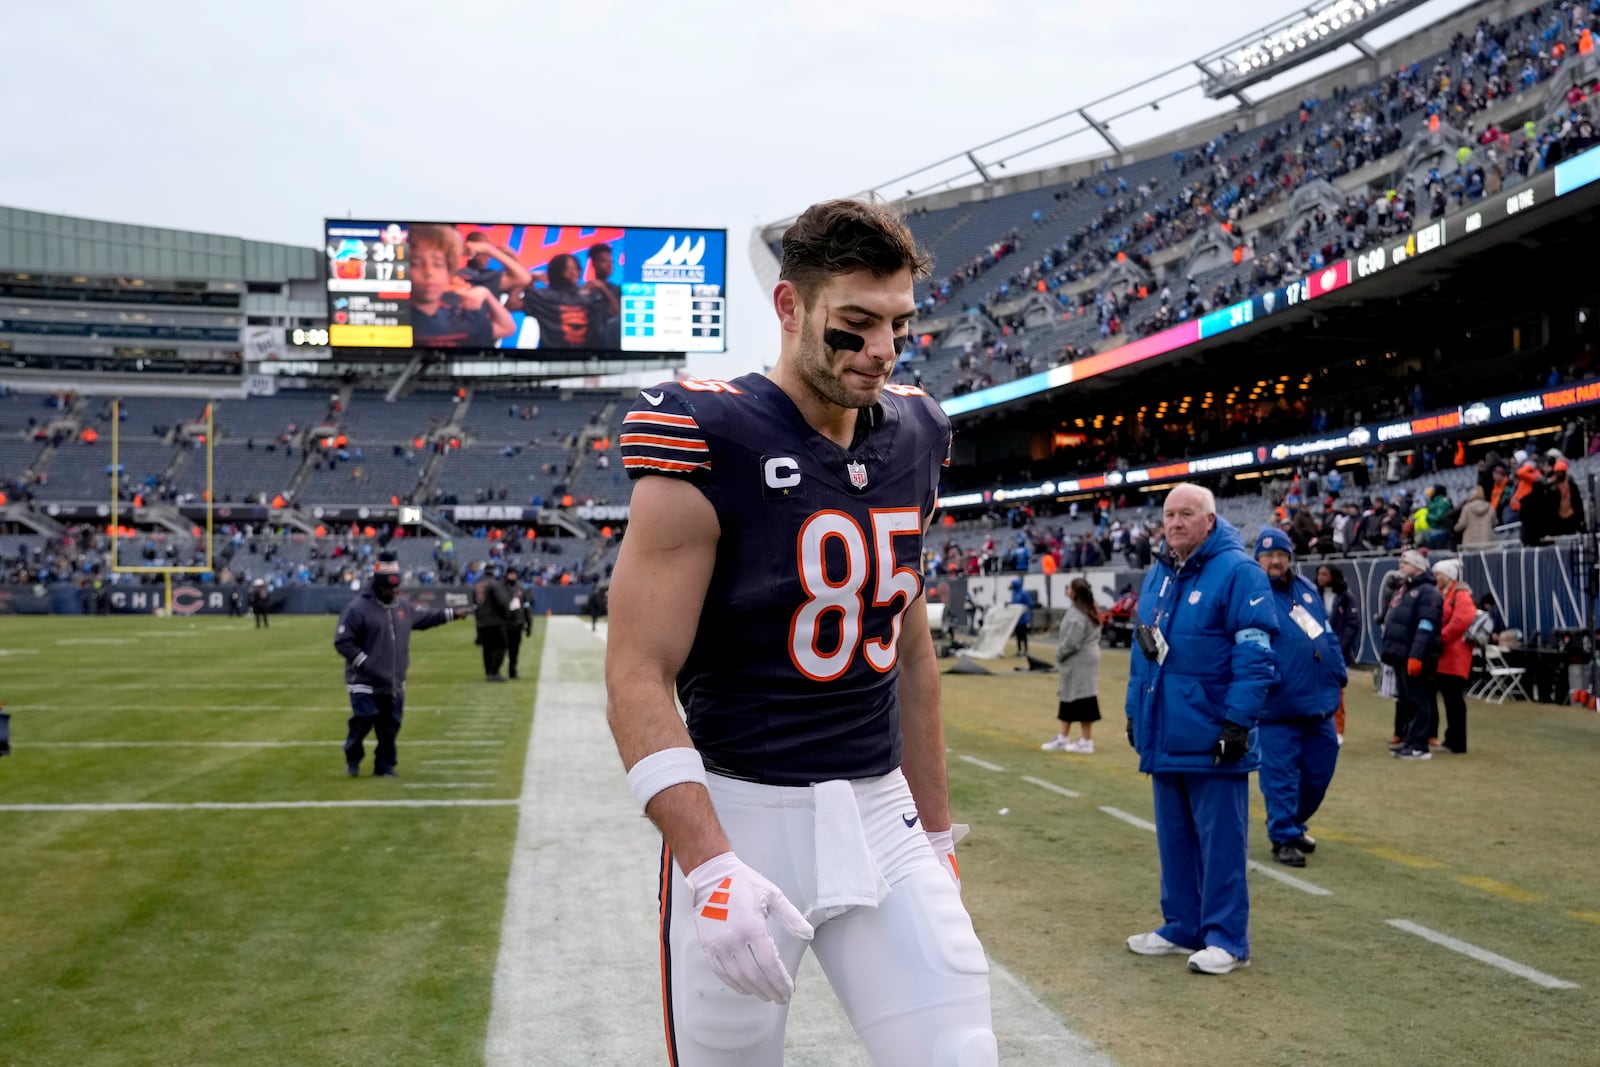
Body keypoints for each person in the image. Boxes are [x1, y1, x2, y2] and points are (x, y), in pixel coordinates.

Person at [605, 198, 995, 1065]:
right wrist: (709, 864)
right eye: (854, 325)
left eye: (898, 324)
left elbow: (911, 650)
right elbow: (637, 671)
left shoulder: (918, 434)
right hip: (743, 809)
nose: (882, 351)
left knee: (959, 1049)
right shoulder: (709, 433)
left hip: (878, 810)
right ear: (790, 307)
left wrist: (934, 833)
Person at [1124, 483, 1276, 976]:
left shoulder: (1239, 573)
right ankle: (1181, 925)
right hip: (1166, 731)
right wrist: (1134, 712)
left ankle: (1226, 938)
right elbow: (1141, 653)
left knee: (1221, 843)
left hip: (1213, 735)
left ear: (1210, 520)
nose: (1175, 523)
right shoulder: (1159, 575)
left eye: (1186, 514)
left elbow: (1255, 657)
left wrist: (1237, 722)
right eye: (1169, 515)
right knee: (1174, 839)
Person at [1253, 530, 1345, 868]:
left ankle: (1292, 822)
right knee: (1280, 776)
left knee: (1320, 771)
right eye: (1268, 555)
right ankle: (1283, 837)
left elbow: (1324, 632)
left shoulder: (1305, 589)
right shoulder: (1253, 592)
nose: (1276, 561)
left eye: (1281, 554)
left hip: (1318, 701)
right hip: (1278, 704)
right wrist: (1269, 679)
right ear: (1257, 559)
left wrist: (1337, 669)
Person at [333, 552, 468, 777]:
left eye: (396, 588)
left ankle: (385, 766)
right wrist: (365, 662)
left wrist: (452, 614)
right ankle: (353, 755)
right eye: (389, 588)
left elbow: (425, 619)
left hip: (393, 680)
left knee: (390, 726)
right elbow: (343, 642)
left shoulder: (402, 607)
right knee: (364, 719)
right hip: (364, 680)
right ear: (377, 586)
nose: (394, 592)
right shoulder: (357, 609)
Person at [408, 224, 515, 349]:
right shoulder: (391, 317)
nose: (429, 272)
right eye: (416, 264)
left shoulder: (460, 316)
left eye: (438, 264)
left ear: (449, 272)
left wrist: (486, 293)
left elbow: (507, 328)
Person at [1381, 549, 1443, 760]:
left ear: (1417, 566)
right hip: (1402, 653)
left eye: (1406, 563)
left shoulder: (1428, 592)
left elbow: (1425, 626)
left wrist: (1416, 654)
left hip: (1415, 655)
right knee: (1407, 698)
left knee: (1419, 699)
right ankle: (1410, 740)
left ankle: (1420, 745)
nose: (1401, 566)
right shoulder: (1406, 589)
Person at [1042, 577, 1102, 753]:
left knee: (1083, 698)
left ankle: (1085, 740)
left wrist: (1059, 653)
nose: (1067, 590)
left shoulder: (1078, 614)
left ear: (1075, 592)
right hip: (1082, 659)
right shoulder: (1087, 609)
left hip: (1079, 660)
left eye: (1069, 588)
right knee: (1069, 696)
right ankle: (1063, 736)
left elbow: (1072, 641)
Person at [1432, 559, 1476, 754]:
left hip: (1455, 654)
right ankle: (1452, 739)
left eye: (1439, 575)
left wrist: (1441, 637)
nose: (1436, 578)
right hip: (1446, 654)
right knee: (1450, 700)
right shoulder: (1447, 594)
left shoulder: (1460, 595)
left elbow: (1461, 620)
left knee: (1454, 700)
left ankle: (1456, 741)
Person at [1316, 563, 1359, 743]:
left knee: (1337, 691)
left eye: (1325, 574)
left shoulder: (1346, 597)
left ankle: (1338, 729)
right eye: (1319, 574)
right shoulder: (1312, 596)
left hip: (1338, 652)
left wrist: (1339, 647)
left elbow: (1352, 623)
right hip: (1316, 651)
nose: (1320, 577)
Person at [474, 567, 513, 682]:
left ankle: (488, 672)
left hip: (482, 621)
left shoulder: (477, 585)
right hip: (495, 620)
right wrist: (506, 616)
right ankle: (494, 671)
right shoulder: (495, 585)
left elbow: (475, 605)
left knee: (487, 647)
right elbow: (501, 602)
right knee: (501, 645)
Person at [502, 567, 532, 680]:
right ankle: (495, 671)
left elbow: (526, 606)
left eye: (514, 574)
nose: (512, 576)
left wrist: (529, 623)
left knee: (514, 650)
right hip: (505, 622)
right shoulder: (501, 588)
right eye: (511, 574)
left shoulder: (520, 589)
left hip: (517, 622)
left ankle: (512, 671)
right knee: (501, 648)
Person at [1008, 577, 1033, 657]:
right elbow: (1013, 604)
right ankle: (1019, 650)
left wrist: (1026, 614)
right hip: (1016, 618)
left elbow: (1029, 604)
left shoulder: (1023, 593)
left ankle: (1025, 651)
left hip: (1023, 618)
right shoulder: (1013, 593)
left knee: (1023, 635)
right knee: (1018, 635)